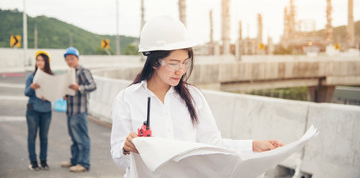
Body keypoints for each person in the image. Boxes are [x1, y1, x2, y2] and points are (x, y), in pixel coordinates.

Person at [110, 17, 285, 177]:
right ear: (155, 62)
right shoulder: (128, 99)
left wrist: (252, 146)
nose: (181, 70)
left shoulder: (193, 97)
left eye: (185, 63)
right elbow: (119, 158)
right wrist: (127, 149)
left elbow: (212, 144)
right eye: (174, 64)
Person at [60, 47, 96, 172]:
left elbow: (92, 85)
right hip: (70, 110)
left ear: (77, 59)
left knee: (82, 137)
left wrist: (78, 87)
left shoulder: (83, 71)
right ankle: (74, 160)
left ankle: (84, 163)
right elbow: (69, 89)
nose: (69, 61)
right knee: (74, 137)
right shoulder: (69, 73)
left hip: (80, 110)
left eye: (72, 58)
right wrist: (65, 93)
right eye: (67, 59)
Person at [25, 50, 53, 171]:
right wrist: (32, 87)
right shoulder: (31, 76)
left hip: (46, 110)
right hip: (33, 109)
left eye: (41, 60)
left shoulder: (51, 76)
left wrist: (48, 95)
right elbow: (26, 92)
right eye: (37, 60)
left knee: (44, 136)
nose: (39, 62)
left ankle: (43, 161)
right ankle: (33, 161)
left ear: (46, 62)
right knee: (32, 136)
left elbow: (54, 93)